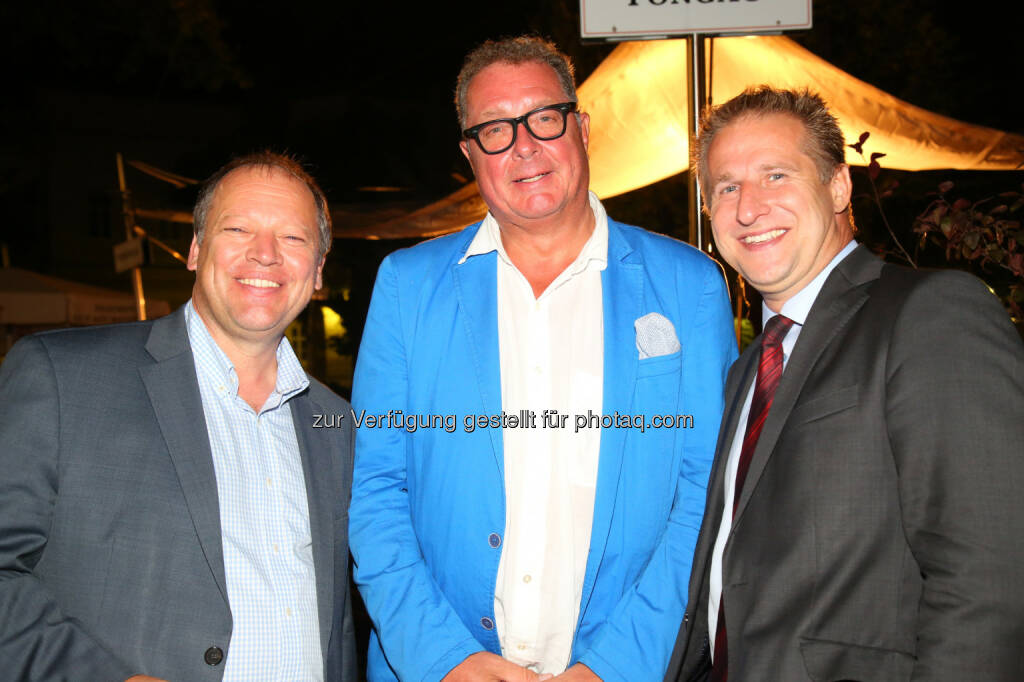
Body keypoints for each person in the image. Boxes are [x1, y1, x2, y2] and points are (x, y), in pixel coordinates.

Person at [350, 36, 736, 682]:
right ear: (471, 153)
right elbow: (375, 491)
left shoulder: (690, 286)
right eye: (495, 129)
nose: (523, 145)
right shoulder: (407, 287)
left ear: (581, 128)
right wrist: (447, 659)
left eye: (544, 119)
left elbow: (704, 498)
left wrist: (613, 667)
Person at [665, 86, 1024, 682]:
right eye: (726, 187)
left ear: (838, 186)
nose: (748, 208)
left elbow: (991, 575)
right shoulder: (747, 372)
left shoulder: (929, 314)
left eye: (775, 175)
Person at [0, 152, 357, 681]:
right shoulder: (61, 378)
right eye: (238, 228)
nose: (265, 255)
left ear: (319, 270)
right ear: (194, 249)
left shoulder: (338, 425)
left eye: (293, 238)